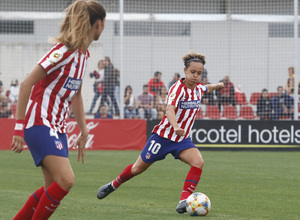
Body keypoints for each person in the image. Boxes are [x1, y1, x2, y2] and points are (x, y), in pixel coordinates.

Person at [10, 1, 106, 219]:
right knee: (66, 179)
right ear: (99, 24)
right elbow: (26, 84)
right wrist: (18, 128)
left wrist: (84, 130)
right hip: (40, 123)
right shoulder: (63, 51)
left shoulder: (82, 55)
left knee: (50, 188)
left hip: (56, 127)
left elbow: (77, 94)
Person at [96, 51, 224, 214]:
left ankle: (183, 201)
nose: (196, 76)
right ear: (185, 70)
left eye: (199, 73)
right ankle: (114, 184)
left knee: (198, 162)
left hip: (181, 140)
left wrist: (218, 86)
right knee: (137, 169)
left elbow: (208, 88)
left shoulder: (198, 89)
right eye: (193, 72)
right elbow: (169, 109)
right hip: (163, 137)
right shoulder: (177, 89)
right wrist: (176, 126)